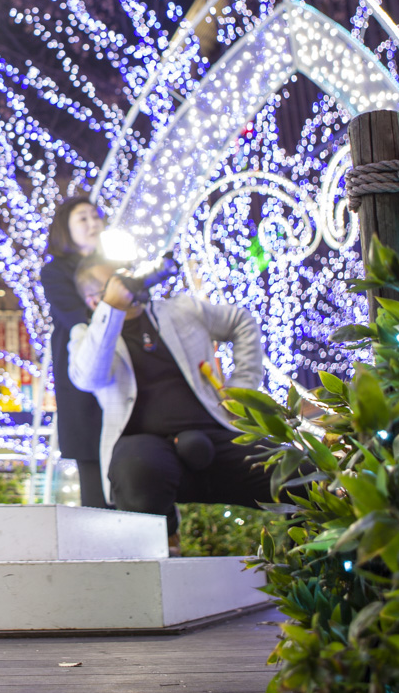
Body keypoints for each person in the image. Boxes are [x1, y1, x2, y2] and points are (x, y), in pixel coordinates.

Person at [66, 257, 271, 549]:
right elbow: (88, 377)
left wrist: (242, 388)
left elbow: (241, 321)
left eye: (128, 274)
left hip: (217, 432)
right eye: (116, 281)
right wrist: (111, 308)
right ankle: (164, 543)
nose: (129, 283)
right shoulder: (86, 336)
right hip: (144, 448)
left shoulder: (181, 309)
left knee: (299, 473)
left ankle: (317, 559)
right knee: (136, 469)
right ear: (93, 299)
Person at [39, 198, 109, 507]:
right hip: (80, 362)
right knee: (91, 454)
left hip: (124, 362)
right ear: (65, 229)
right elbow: (75, 316)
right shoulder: (55, 271)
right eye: (83, 218)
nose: (93, 223)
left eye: (96, 216)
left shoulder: (116, 265)